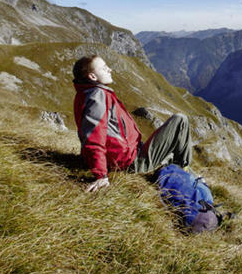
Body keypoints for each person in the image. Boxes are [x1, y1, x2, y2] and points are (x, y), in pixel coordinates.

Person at [72, 55, 192, 192]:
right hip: (131, 161)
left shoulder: (86, 93)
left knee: (172, 150)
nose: (110, 69)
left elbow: (88, 132)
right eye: (104, 68)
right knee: (180, 120)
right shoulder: (97, 96)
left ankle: (180, 169)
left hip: (128, 155)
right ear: (92, 76)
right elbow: (94, 136)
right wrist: (101, 176)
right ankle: (184, 174)